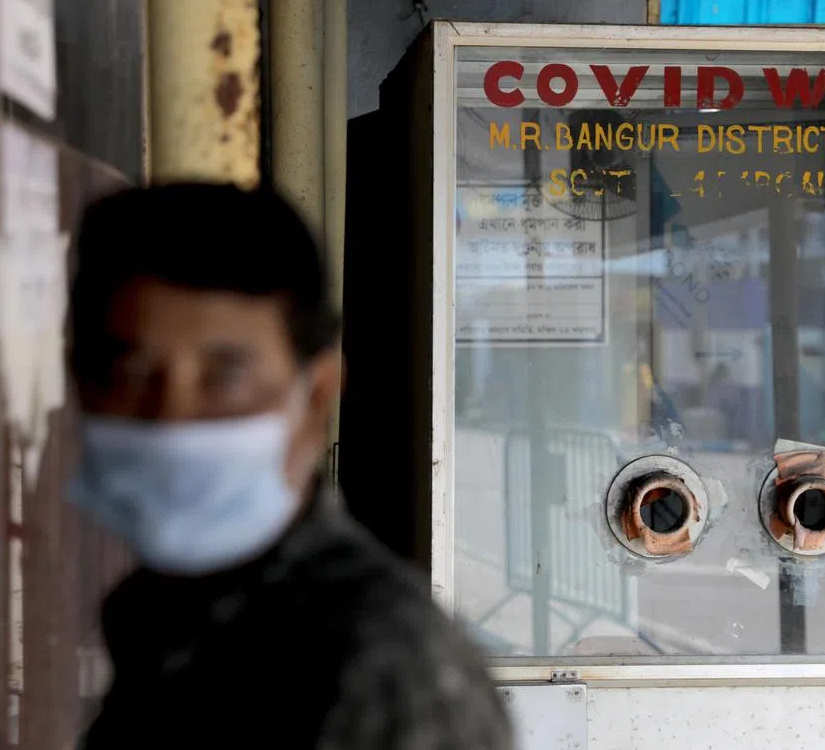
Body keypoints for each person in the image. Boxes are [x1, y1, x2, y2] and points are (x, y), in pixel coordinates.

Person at [68, 183, 512, 749]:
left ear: (318, 396)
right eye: (131, 375)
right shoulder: (159, 613)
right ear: (80, 381)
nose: (171, 418)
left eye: (224, 379)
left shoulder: (380, 664)